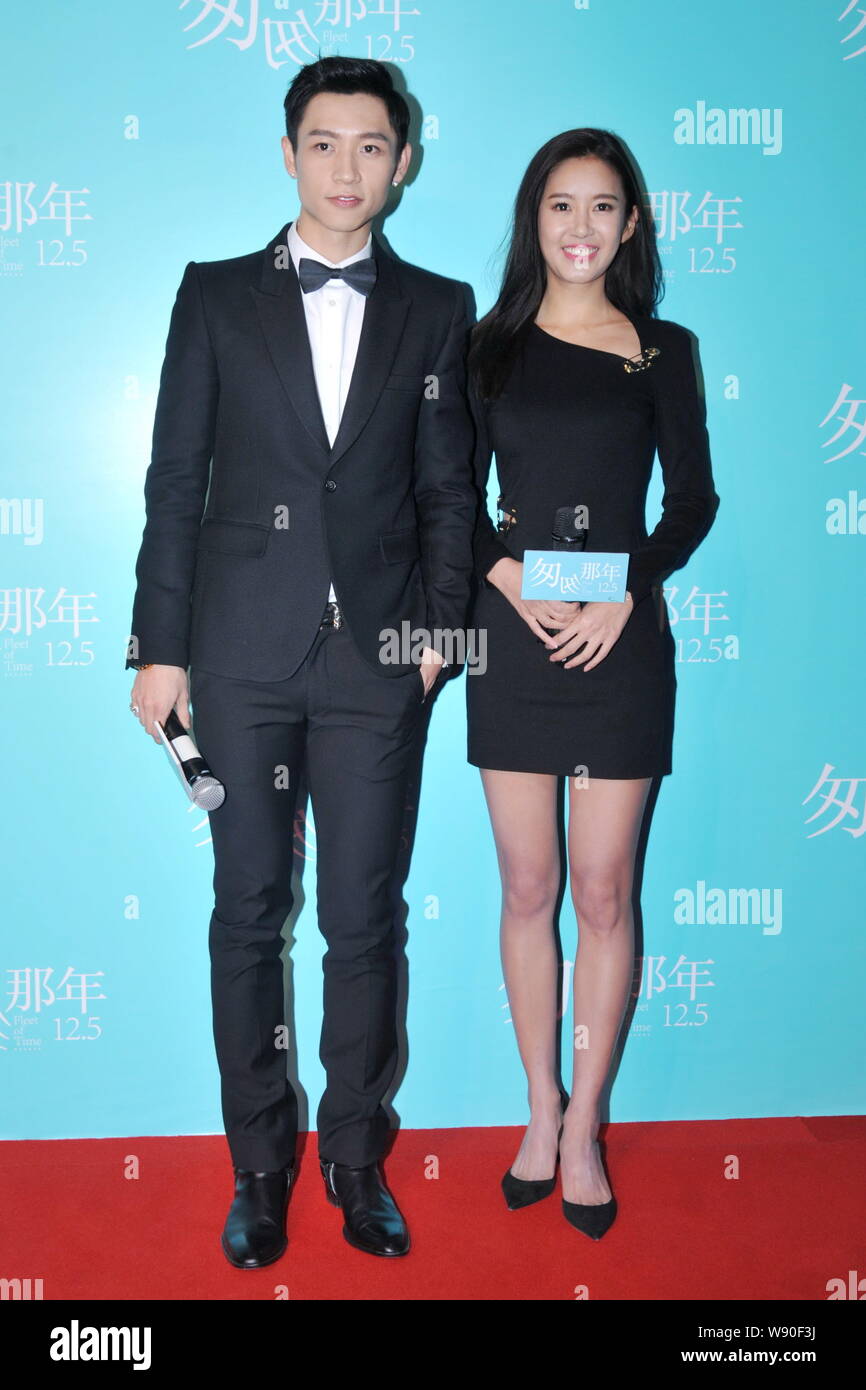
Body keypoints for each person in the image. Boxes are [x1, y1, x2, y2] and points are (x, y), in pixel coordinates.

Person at [126, 57, 476, 1266]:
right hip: (235, 659)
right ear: (287, 154)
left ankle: (355, 1159)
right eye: (322, 144)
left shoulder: (438, 306)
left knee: (364, 922)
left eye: (370, 146)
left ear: (404, 160)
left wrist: (440, 637)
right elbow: (177, 482)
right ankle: (259, 1168)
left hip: (379, 663)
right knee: (245, 917)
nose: (345, 168)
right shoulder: (216, 295)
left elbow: (448, 488)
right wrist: (156, 649)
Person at [466, 128, 719, 1239]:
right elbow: (446, 499)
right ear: (534, 219)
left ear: (629, 224)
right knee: (528, 889)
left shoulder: (663, 349)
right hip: (514, 633)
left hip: (623, 639)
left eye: (601, 207)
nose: (579, 228)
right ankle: (537, 1107)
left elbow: (692, 502)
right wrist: (515, 579)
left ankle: (585, 1126)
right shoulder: (485, 348)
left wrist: (627, 588)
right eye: (559, 206)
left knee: (604, 890)